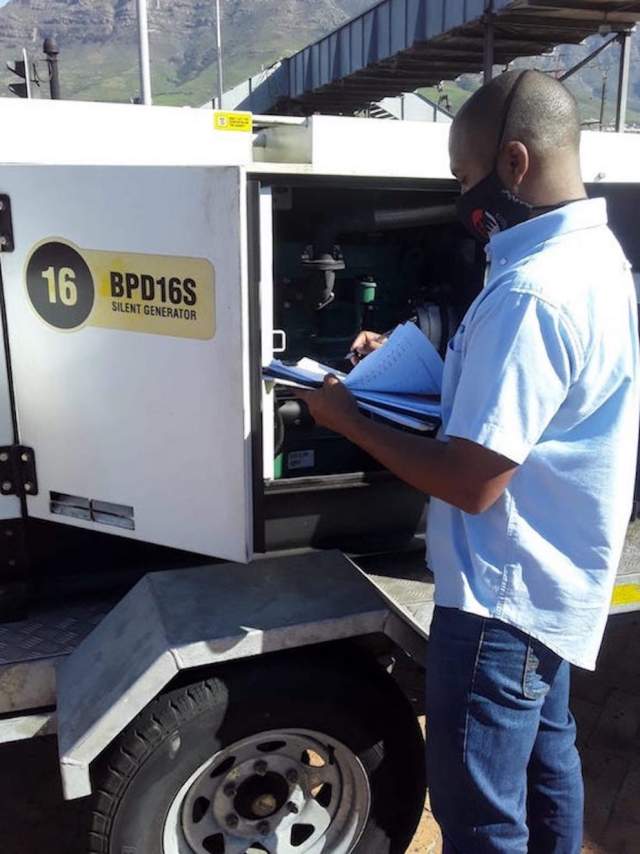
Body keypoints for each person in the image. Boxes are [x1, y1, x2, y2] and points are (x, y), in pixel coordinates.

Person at [298, 69, 640, 853]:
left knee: (481, 819)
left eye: (463, 176)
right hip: (553, 587)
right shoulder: (594, 257)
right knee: (548, 770)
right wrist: (439, 363)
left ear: (513, 164)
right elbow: (538, 399)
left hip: (499, 603)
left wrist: (347, 416)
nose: (463, 196)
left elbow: (472, 481)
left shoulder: (533, 292)